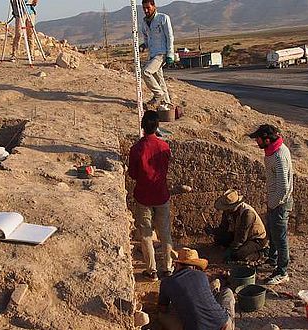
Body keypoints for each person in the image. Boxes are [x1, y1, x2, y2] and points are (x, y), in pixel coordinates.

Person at [128, 110, 173, 281]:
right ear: (157, 126)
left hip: (143, 197)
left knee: (146, 234)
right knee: (165, 232)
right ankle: (168, 267)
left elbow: (132, 174)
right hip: (161, 195)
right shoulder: (164, 147)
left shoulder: (136, 149)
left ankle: (151, 270)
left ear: (142, 126)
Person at [248, 124, 294, 285]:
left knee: (280, 239)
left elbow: (283, 187)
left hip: (280, 203)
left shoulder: (279, 156)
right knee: (273, 234)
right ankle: (273, 260)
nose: (257, 142)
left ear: (267, 140)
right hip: (275, 201)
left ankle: (282, 271)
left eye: (258, 139)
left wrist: (273, 204)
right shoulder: (273, 151)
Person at [158, 248, 235, 330]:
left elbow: (163, 309)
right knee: (227, 292)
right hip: (223, 325)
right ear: (194, 266)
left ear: (177, 264)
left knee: (162, 316)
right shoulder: (202, 275)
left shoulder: (166, 282)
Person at [213, 189, 268, 265]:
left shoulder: (248, 214)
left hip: (256, 239)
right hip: (237, 234)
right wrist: (215, 232)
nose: (226, 210)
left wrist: (232, 249)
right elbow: (224, 227)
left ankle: (260, 253)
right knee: (219, 239)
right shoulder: (227, 211)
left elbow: (242, 237)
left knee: (238, 255)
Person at [140, 0, 175, 108]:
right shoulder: (144, 22)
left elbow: (169, 36)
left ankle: (158, 95)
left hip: (162, 53)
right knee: (159, 80)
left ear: (154, 6)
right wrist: (144, 45)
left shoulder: (163, 18)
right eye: (144, 8)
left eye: (148, 8)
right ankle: (167, 104)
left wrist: (170, 54)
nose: (146, 10)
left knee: (146, 72)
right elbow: (147, 37)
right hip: (152, 54)